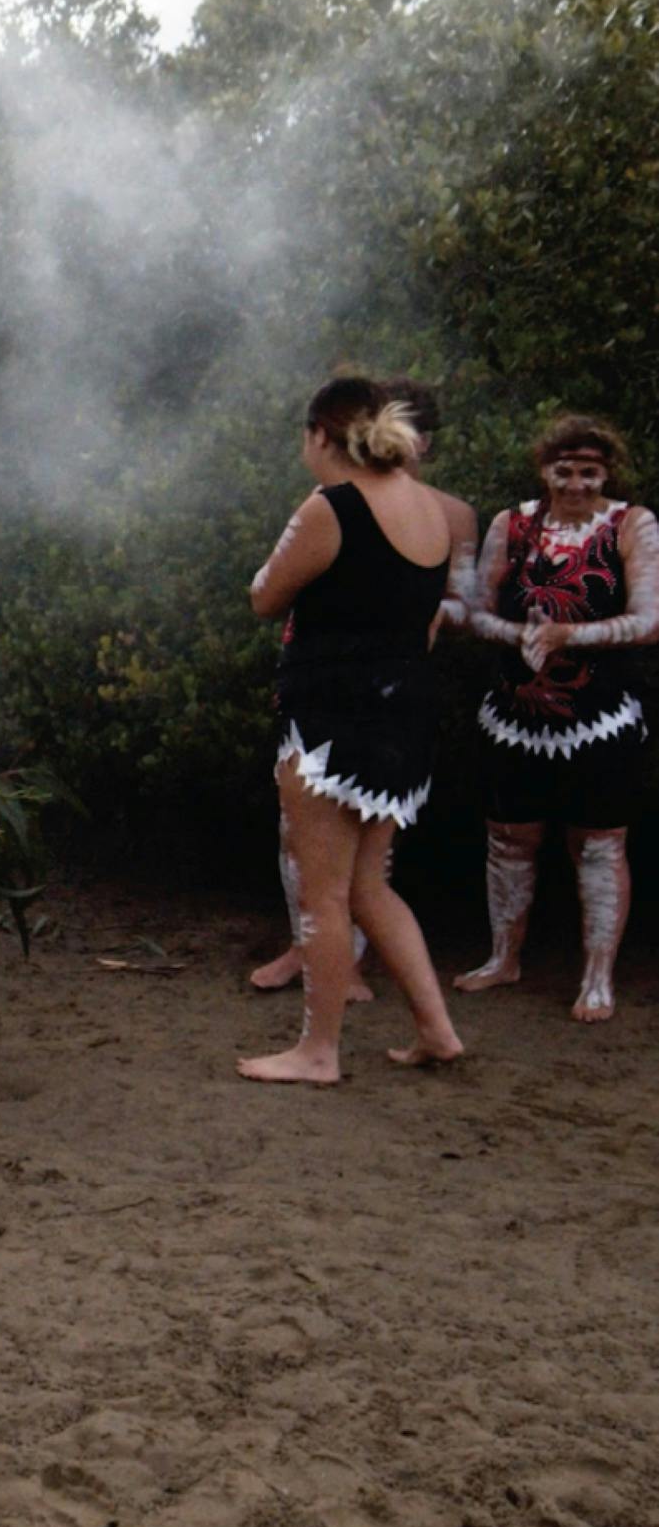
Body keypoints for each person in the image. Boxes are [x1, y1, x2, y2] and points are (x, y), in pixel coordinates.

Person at [238, 376, 464, 1084]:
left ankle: (318, 1051)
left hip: (331, 719)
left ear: (319, 434)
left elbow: (263, 595)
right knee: (368, 886)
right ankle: (437, 1030)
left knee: (323, 894)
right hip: (404, 713)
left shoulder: (330, 507)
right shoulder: (432, 506)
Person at [454, 415, 656, 1022]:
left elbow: (650, 619)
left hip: (599, 721)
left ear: (607, 473)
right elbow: (473, 611)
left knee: (599, 844)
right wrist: (518, 634)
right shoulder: (511, 524)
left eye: (588, 471)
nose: (574, 483)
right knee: (508, 838)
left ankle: (597, 977)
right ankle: (503, 958)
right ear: (544, 470)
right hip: (514, 717)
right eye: (562, 470)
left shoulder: (632, 524)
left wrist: (572, 635)